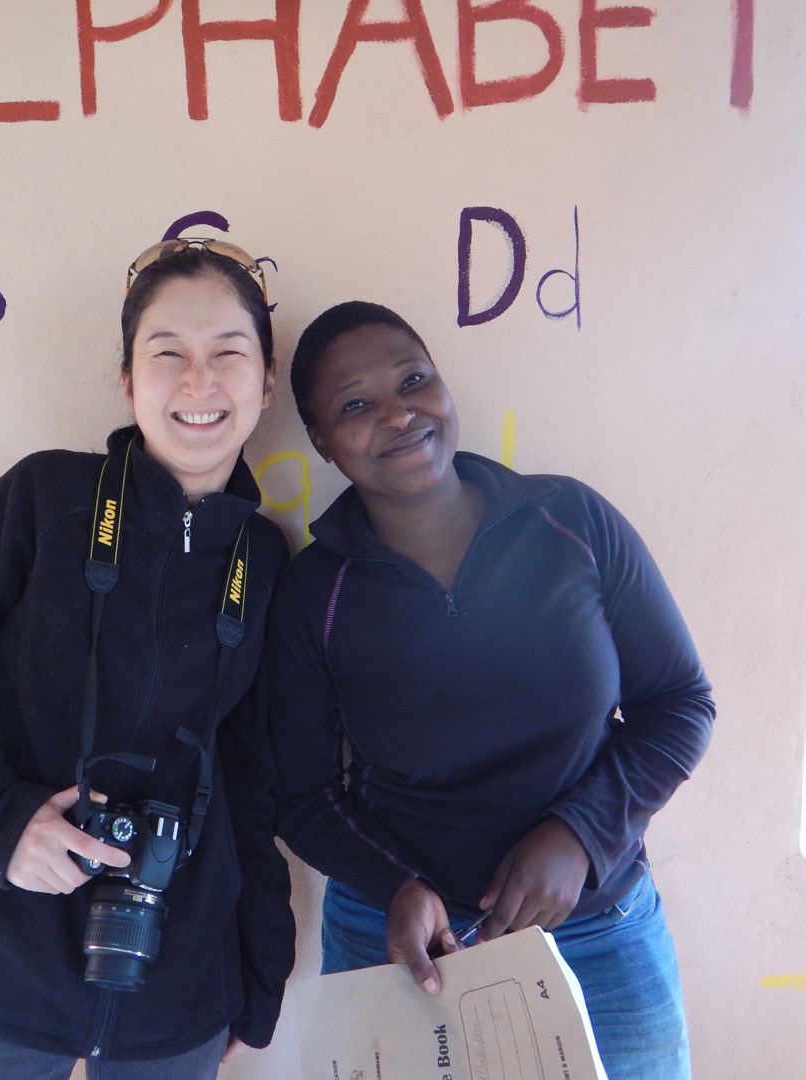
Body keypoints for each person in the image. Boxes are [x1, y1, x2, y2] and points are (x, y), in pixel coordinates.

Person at [0, 238, 296, 1080]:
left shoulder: (265, 558)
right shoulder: (45, 499)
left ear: (267, 383)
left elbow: (250, 780)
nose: (199, 382)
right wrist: (2, 826)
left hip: (175, 987)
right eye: (167, 353)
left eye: (228, 354)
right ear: (128, 380)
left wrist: (258, 979)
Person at [267, 301, 715, 1079]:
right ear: (320, 440)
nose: (398, 414)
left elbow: (679, 703)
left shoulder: (570, 521)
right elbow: (299, 793)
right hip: (399, 943)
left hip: (598, 931)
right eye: (355, 405)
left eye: (413, 380)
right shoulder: (316, 592)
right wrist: (397, 886)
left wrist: (579, 835)